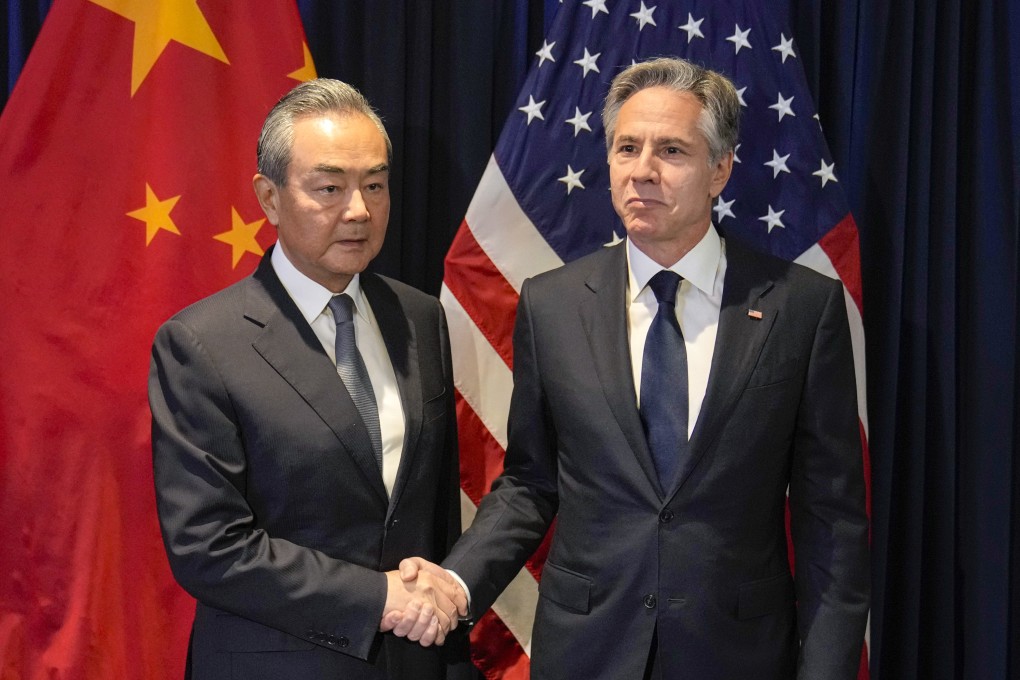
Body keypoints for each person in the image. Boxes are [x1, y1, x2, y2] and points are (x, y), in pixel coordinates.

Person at [398, 57, 870, 679]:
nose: (642, 171)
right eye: (627, 148)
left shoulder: (802, 307)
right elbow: (530, 483)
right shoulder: (551, 303)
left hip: (737, 656)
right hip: (588, 652)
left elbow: (830, 521)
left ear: (720, 170)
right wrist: (459, 582)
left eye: (671, 150)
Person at [149, 78, 469, 680]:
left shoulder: (420, 316)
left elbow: (431, 512)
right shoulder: (201, 343)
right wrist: (377, 598)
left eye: (375, 185)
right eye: (329, 188)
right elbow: (208, 546)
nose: (359, 210)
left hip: (413, 662)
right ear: (269, 199)